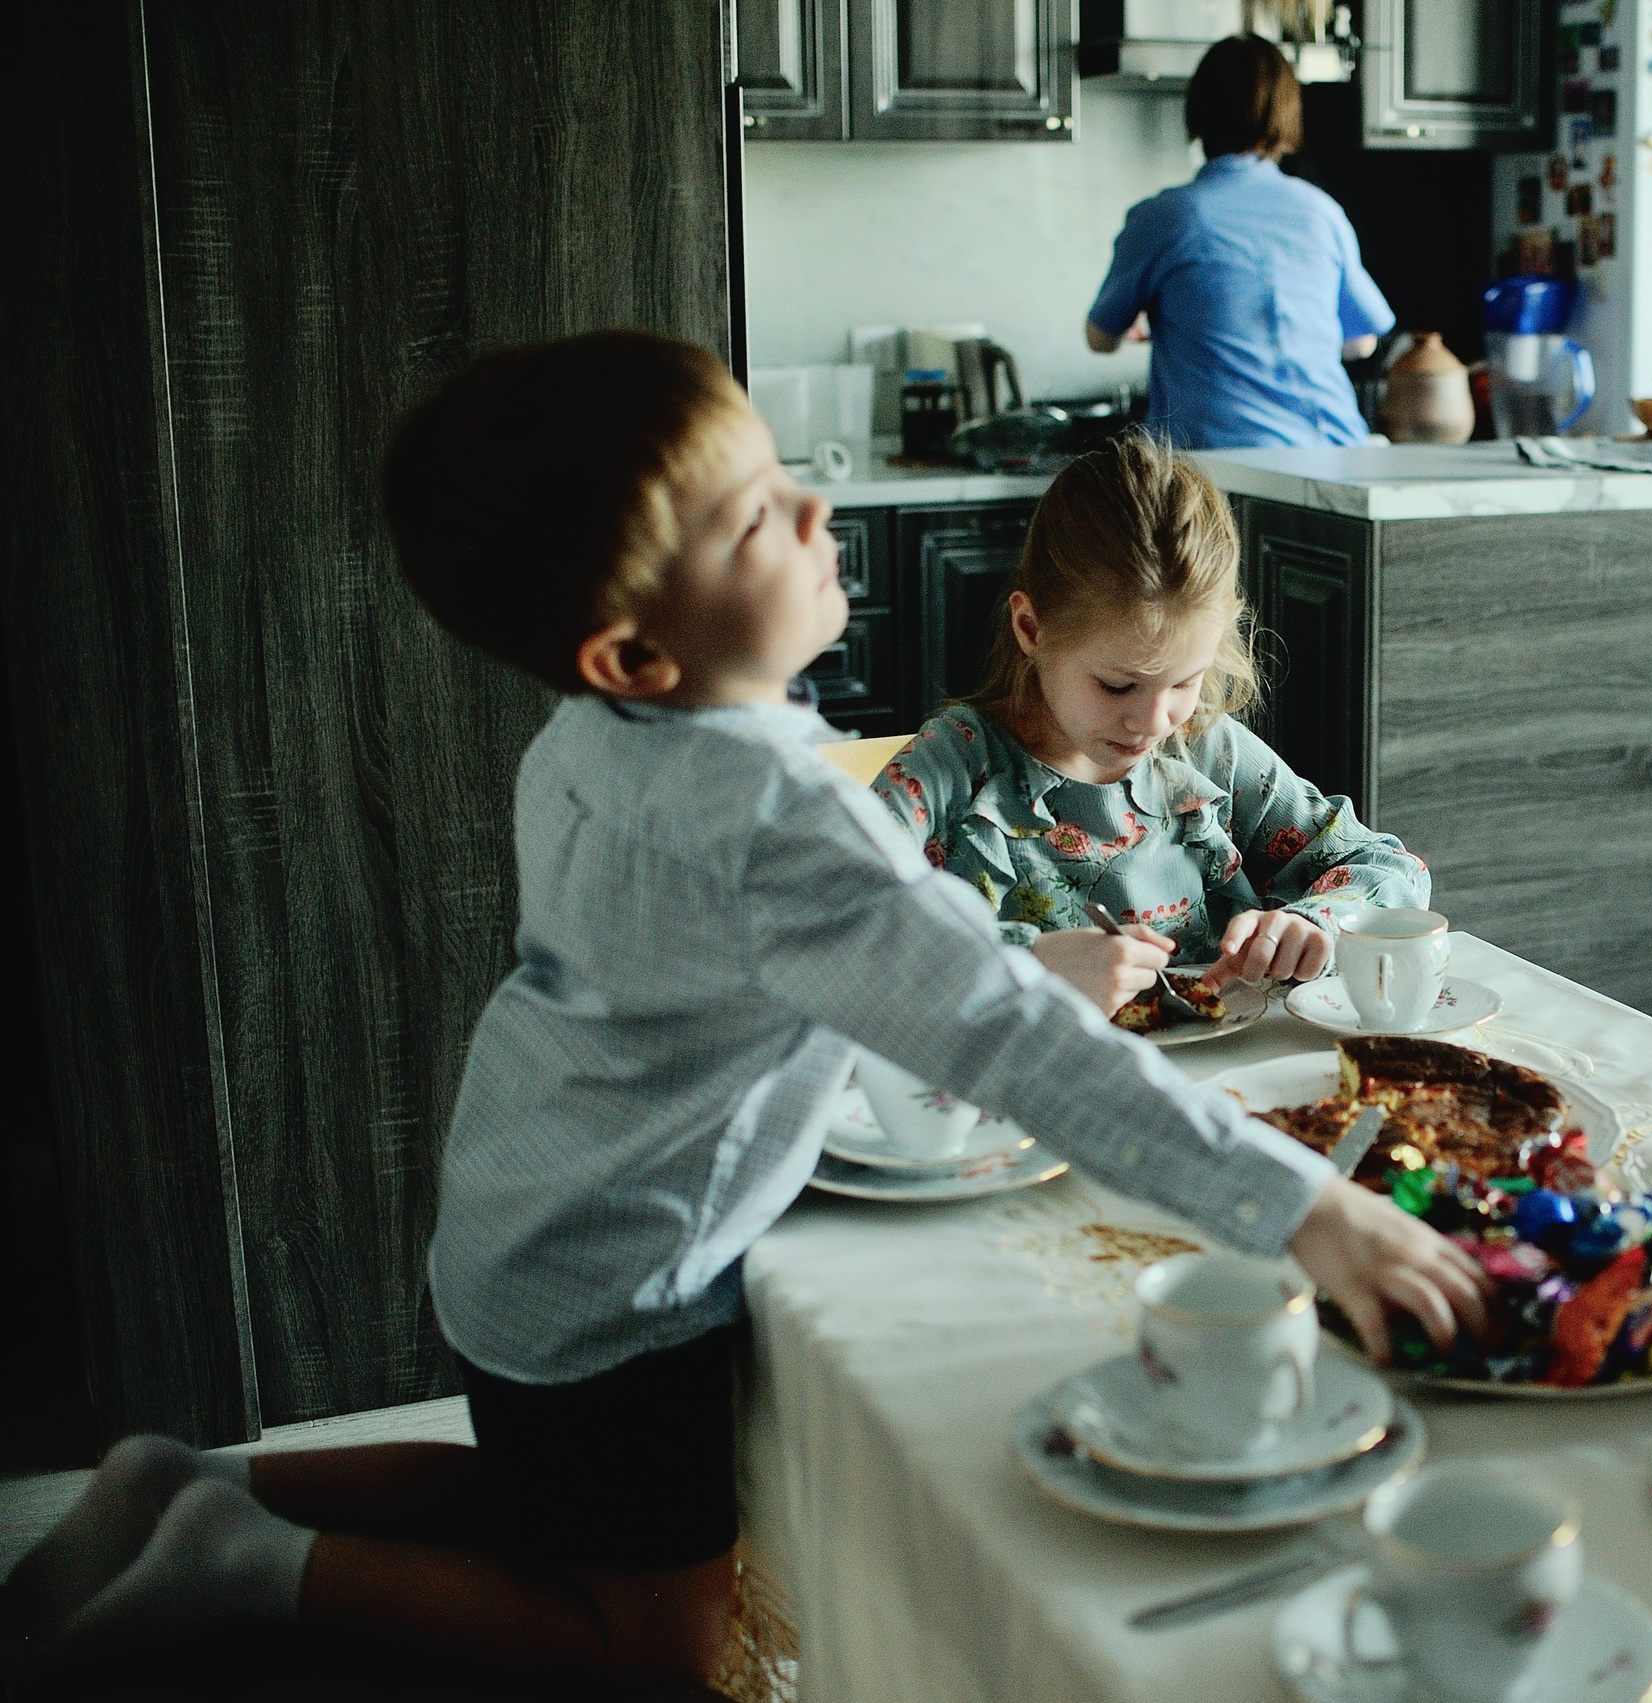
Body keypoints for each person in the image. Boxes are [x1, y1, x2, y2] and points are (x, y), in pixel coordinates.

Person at [0, 332, 1488, 1690]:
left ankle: (186, 1487)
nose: (815, 509)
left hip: (525, 1211)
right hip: (616, 1275)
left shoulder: (599, 730)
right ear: (637, 650)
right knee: (656, 1636)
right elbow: (1024, 1042)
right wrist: (1315, 1214)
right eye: (755, 517)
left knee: (543, 1497)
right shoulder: (777, 820)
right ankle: (238, 1557)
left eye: (782, 477)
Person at [871, 433, 1428, 1018]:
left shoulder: (1207, 753)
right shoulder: (954, 769)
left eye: (1185, 683)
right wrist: (1026, 967)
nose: (1154, 722)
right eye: (1118, 685)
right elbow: (835, 920)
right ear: (1032, 629)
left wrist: (1312, 923)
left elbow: (1392, 869)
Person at [1084, 34, 1394, 449]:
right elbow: (1360, 342)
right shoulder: (1320, 212)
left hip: (1221, 466)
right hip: (1333, 452)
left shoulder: (1167, 217)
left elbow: (1100, 339)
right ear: (1287, 114)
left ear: (1196, 112)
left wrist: (1148, 322)